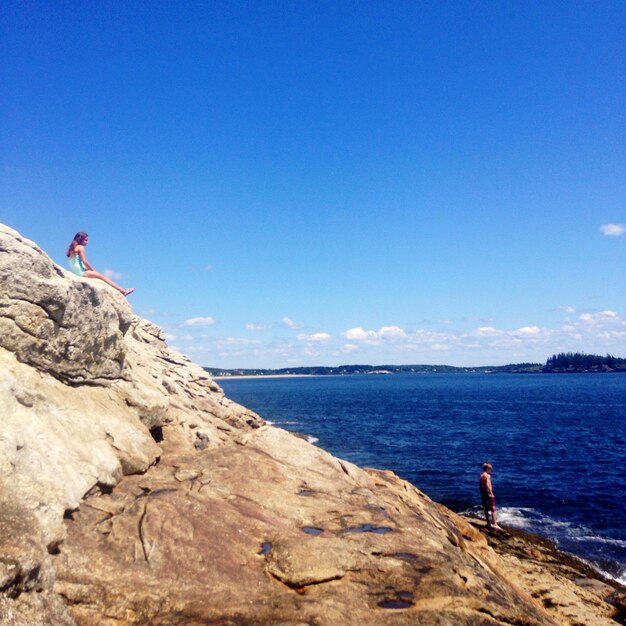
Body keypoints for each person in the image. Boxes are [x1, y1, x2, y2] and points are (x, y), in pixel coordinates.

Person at [66, 232, 135, 296]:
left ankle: (122, 290)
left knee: (100, 276)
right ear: (80, 240)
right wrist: (92, 270)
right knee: (103, 277)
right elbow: (85, 261)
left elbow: (76, 262)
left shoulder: (71, 248)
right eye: (86, 240)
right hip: (81, 272)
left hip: (75, 272)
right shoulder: (81, 247)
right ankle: (123, 291)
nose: (87, 242)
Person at [479, 462, 502, 530]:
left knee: (486, 508)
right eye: (490, 469)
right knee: (493, 508)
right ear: (487, 469)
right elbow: (487, 485)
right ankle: (495, 523)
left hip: (484, 493)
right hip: (488, 493)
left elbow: (480, 485)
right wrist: (491, 493)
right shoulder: (487, 476)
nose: (491, 470)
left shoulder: (481, 475)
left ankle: (488, 523)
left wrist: (481, 492)